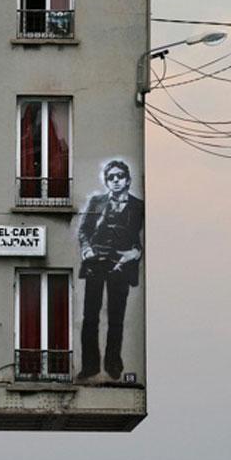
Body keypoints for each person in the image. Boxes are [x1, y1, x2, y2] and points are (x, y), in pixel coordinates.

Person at [77, 160, 144, 381]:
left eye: (119, 176)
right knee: (90, 317)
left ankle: (113, 364)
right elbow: (84, 230)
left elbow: (141, 243)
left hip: (120, 266)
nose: (115, 181)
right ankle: (90, 366)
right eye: (111, 177)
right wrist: (86, 250)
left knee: (116, 318)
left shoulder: (138, 207)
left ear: (128, 180)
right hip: (95, 264)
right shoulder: (97, 202)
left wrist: (133, 254)